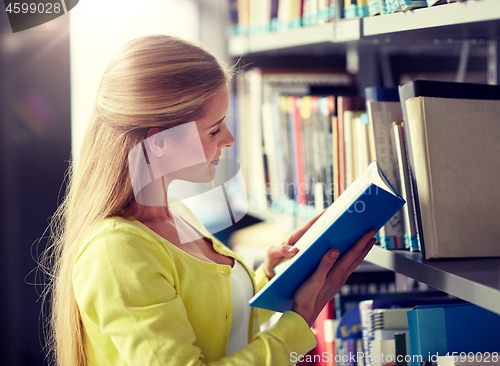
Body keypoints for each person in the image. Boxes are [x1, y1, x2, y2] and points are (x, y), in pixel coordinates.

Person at [46, 35, 376, 366]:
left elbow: (213, 325)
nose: (230, 139)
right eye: (214, 130)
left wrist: (273, 277)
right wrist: (300, 318)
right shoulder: (115, 252)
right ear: (158, 143)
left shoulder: (177, 215)